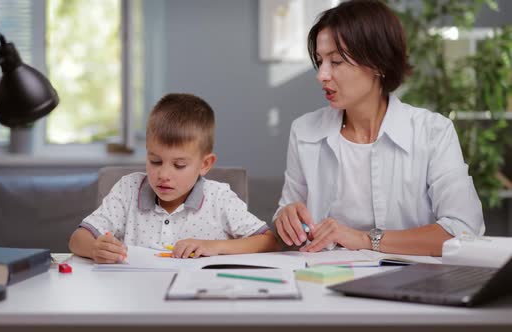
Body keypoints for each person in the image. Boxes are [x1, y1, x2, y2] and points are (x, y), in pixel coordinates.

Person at [273, 0, 484, 256]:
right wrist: (285, 219)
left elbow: (463, 231)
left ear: (378, 64)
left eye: (336, 61)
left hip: (410, 286)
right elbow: (288, 216)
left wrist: (363, 239)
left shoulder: (433, 133)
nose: (322, 75)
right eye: (320, 61)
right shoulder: (304, 131)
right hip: (322, 280)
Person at [69, 93, 279, 263]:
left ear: (205, 164)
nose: (164, 175)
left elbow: (269, 241)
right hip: (135, 301)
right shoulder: (128, 189)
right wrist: (95, 248)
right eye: (155, 161)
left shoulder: (219, 198)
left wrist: (214, 246)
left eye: (179, 165)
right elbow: (77, 239)